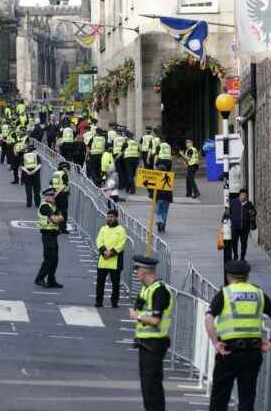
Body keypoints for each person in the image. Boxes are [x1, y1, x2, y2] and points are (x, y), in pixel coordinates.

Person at [205, 260, 271, 411]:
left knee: (220, 398)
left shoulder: (225, 293)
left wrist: (215, 342)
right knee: (247, 398)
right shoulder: (258, 292)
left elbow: (208, 318)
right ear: (247, 276)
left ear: (228, 276)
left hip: (228, 352)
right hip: (252, 352)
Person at [129, 255, 172, 411]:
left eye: (137, 271)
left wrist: (138, 316)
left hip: (154, 344)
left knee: (152, 388)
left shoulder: (159, 291)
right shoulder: (146, 288)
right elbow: (139, 307)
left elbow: (156, 320)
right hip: (146, 343)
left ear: (144, 272)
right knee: (148, 388)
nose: (136, 274)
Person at [95, 209, 127, 308]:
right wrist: (104, 251)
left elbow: (121, 244)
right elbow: (99, 241)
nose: (109, 218)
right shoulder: (103, 228)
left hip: (115, 261)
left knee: (115, 284)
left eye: (112, 217)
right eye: (108, 217)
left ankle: (114, 301)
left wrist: (111, 252)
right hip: (103, 260)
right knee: (100, 283)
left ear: (116, 217)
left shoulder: (121, 230)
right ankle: (99, 301)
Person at [34, 188, 65, 288]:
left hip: (53, 235)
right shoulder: (45, 207)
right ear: (46, 197)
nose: (53, 197)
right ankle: (39, 278)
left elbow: (61, 217)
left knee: (55, 259)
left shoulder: (53, 206)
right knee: (49, 258)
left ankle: (51, 280)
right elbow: (55, 220)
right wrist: (58, 218)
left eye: (53, 195)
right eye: (51, 196)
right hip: (47, 235)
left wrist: (59, 217)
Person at [229, 189, 256, 261]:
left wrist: (252, 213)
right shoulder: (233, 202)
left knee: (244, 244)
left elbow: (254, 213)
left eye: (245, 196)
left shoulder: (249, 204)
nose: (243, 197)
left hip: (245, 228)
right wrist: (225, 219)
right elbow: (228, 212)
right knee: (234, 243)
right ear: (239, 195)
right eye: (242, 195)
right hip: (235, 227)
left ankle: (242, 257)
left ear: (246, 197)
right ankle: (235, 256)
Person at [51, 161, 71, 234]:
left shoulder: (55, 173)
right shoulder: (63, 174)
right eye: (66, 167)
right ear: (63, 167)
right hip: (62, 195)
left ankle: (56, 227)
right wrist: (57, 193)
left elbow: (51, 185)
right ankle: (63, 228)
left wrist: (53, 194)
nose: (67, 169)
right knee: (64, 212)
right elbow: (64, 185)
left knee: (56, 211)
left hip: (55, 194)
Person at [155, 165, 173, 234]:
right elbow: (170, 191)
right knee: (165, 213)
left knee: (158, 211)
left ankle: (160, 222)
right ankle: (163, 227)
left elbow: (153, 190)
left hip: (159, 198)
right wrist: (170, 200)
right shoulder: (169, 177)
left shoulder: (156, 178)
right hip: (167, 199)